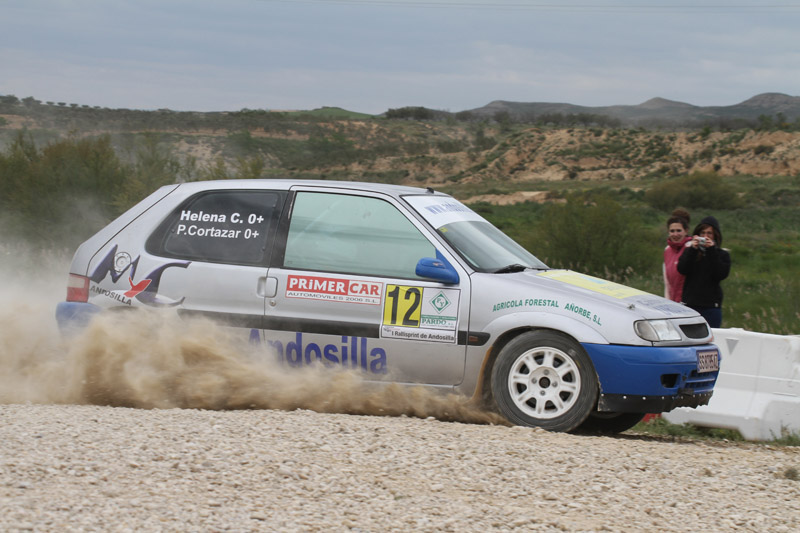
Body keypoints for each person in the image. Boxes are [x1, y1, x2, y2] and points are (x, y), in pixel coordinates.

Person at [677, 215, 731, 328]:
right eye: (702, 233)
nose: (705, 236)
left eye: (709, 233)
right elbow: (682, 269)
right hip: (690, 305)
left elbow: (720, 274)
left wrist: (711, 251)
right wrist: (692, 249)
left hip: (711, 306)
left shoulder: (722, 255)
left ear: (715, 235)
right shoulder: (690, 251)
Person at [663, 208, 691, 302]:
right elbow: (667, 282)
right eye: (672, 230)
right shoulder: (667, 250)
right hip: (672, 302)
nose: (675, 234)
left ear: (686, 230)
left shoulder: (691, 247)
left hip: (688, 302)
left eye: (679, 230)